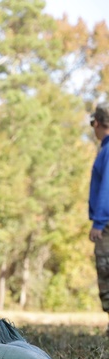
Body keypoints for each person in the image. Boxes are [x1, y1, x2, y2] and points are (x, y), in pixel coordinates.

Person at [88, 104, 109, 335]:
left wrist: (99, 222)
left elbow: (107, 187)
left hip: (107, 222)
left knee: (106, 269)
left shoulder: (108, 150)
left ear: (97, 123)